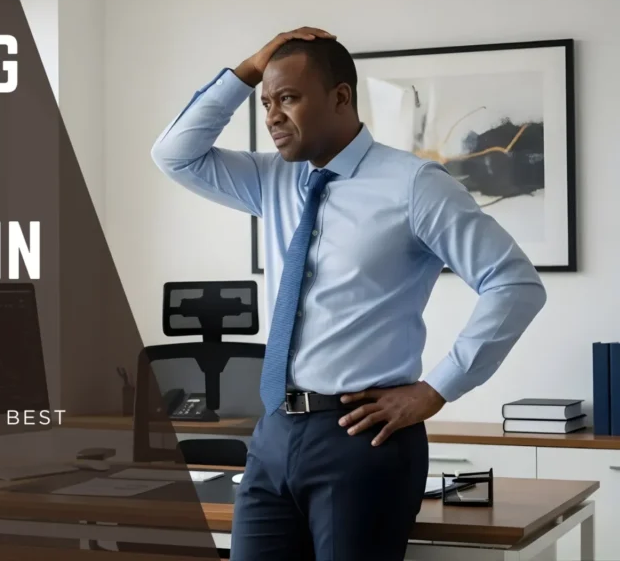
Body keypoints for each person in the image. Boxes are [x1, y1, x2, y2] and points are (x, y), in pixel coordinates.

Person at [149, 27, 547, 560]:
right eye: (266, 102)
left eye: (287, 98)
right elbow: (174, 154)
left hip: (361, 436)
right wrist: (252, 66)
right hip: (272, 437)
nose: (271, 117)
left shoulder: (413, 185)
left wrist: (436, 390)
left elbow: (514, 283)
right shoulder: (272, 180)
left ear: (340, 97)